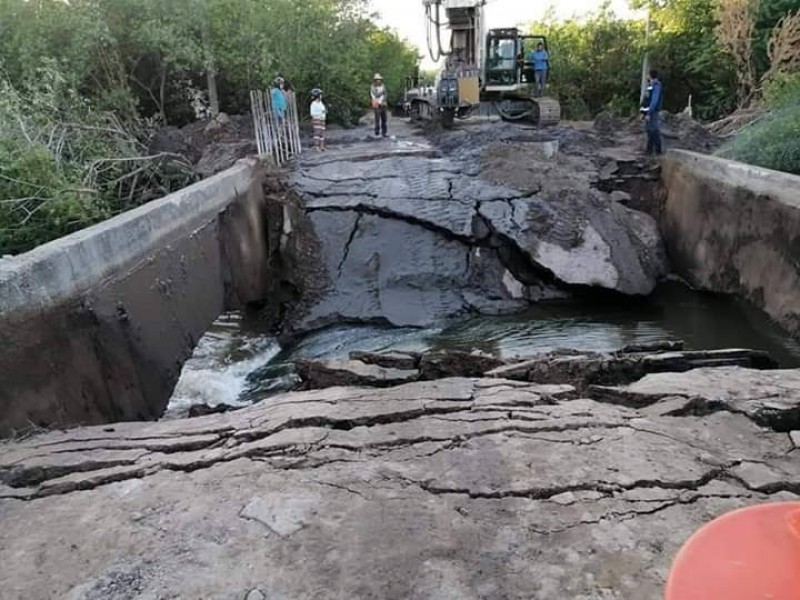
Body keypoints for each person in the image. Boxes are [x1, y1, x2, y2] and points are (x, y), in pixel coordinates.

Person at [640, 69, 664, 156]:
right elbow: (646, 100)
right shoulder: (650, 85)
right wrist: (643, 112)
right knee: (649, 131)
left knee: (654, 130)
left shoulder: (656, 85)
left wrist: (649, 113)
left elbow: (654, 101)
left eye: (647, 75)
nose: (646, 76)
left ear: (650, 75)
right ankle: (649, 150)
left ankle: (658, 150)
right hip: (648, 112)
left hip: (652, 112)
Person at [370, 73, 388, 138]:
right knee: (377, 120)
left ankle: (384, 133)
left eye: (379, 79)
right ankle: (377, 132)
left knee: (384, 120)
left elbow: (386, 94)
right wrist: (382, 93)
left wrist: (383, 99)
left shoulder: (383, 86)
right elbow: (376, 94)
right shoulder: (372, 87)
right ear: (375, 80)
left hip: (383, 105)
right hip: (376, 105)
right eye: (377, 79)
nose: (379, 81)